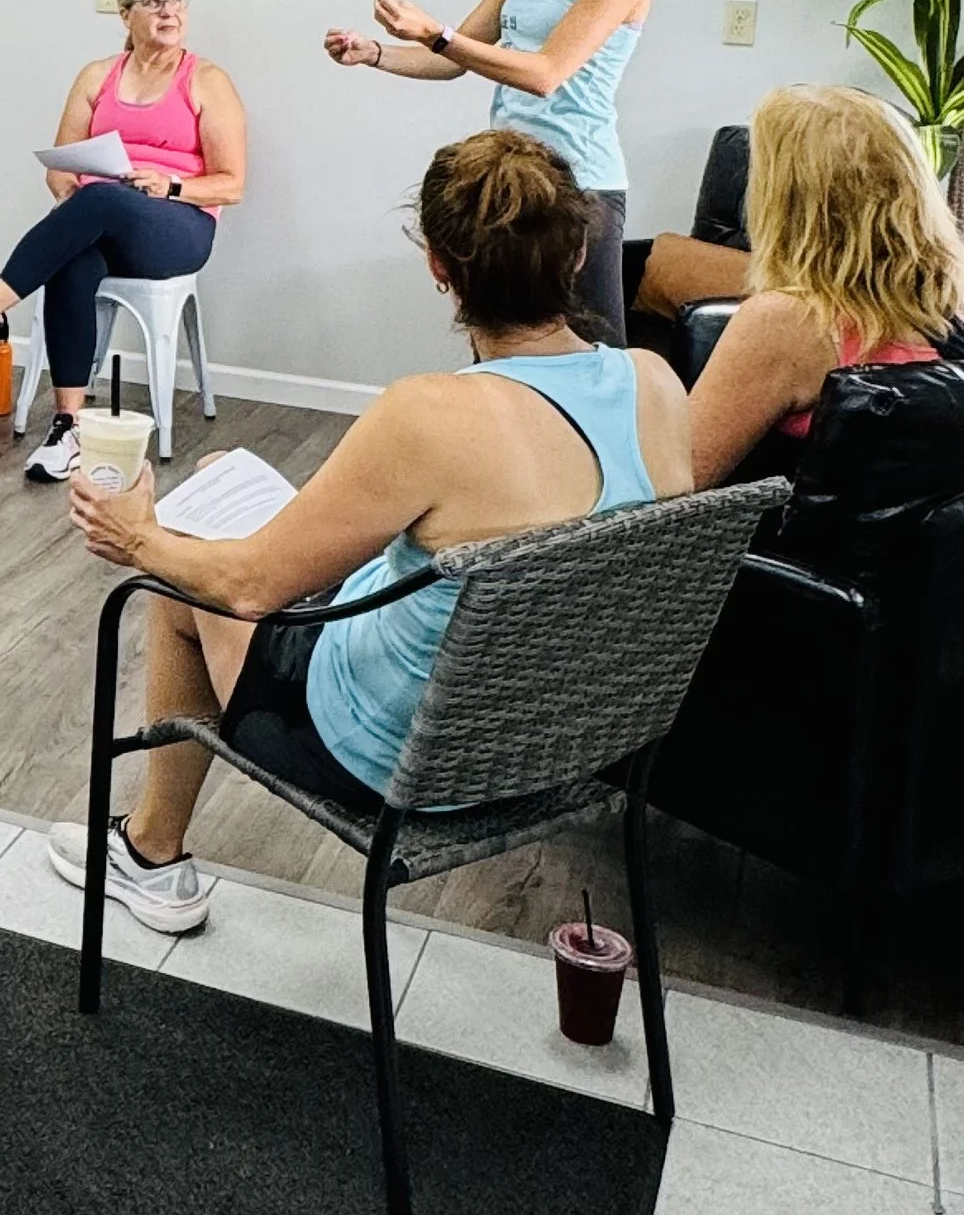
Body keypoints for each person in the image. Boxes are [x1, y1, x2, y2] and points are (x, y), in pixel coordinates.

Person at [49, 129, 691, 934]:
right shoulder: (658, 385)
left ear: (438, 267)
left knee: (185, 576)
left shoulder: (430, 415)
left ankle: (149, 852)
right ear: (576, 255)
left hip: (400, 752)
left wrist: (136, 535)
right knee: (224, 483)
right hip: (567, 741)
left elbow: (249, 587)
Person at [323, 0, 650, 344]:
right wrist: (375, 53)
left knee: (596, 356)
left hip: (581, 188)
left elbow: (546, 73)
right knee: (499, 346)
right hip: (511, 181)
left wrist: (437, 33)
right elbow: (454, 60)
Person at [0, 0, 246, 481]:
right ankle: (67, 428)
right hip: (103, 219)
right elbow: (63, 167)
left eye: (177, 0)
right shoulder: (98, 76)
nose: (169, 11)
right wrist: (66, 194)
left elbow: (231, 183)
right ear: (125, 14)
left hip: (179, 228)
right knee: (74, 256)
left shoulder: (206, 80)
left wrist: (171, 185)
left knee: (103, 203)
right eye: (154, 3)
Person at [687, 83, 964, 486]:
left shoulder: (789, 323)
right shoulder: (955, 312)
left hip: (797, 548)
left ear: (788, 202)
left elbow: (680, 483)